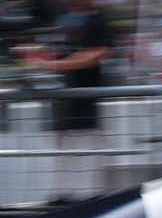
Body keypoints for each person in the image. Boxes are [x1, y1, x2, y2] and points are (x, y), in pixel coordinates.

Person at [43, 0, 117, 201]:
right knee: (64, 146)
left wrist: (56, 65)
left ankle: (90, 196)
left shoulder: (97, 19)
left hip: (85, 96)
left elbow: (99, 53)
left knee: (86, 144)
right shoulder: (64, 18)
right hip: (66, 94)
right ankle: (64, 194)